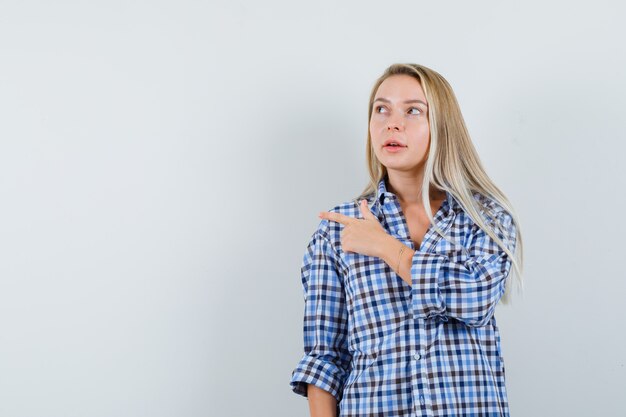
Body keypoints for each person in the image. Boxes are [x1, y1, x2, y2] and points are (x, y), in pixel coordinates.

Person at [289, 63, 524, 417]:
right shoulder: (338, 229)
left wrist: (385, 246)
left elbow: (475, 298)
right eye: (381, 109)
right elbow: (324, 359)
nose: (391, 123)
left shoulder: (484, 218)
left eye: (412, 110)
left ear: (441, 127)